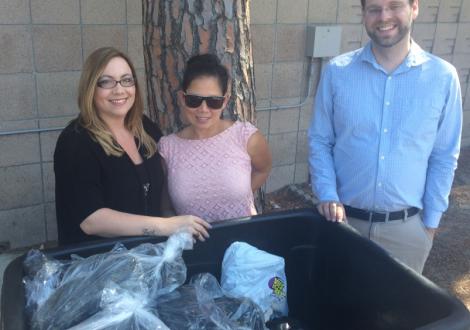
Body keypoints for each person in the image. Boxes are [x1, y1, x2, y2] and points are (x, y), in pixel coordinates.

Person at [308, 0, 462, 273]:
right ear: (364, 14)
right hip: (343, 226)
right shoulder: (337, 72)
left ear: (414, 7)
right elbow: (321, 141)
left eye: (394, 6)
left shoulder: (442, 78)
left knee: (399, 316)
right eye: (374, 8)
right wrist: (327, 194)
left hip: (407, 234)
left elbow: (443, 156)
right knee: (336, 310)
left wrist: (430, 225)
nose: (384, 16)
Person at [54, 47, 211, 245]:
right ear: (90, 88)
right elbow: (91, 221)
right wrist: (165, 225)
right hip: (98, 264)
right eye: (106, 82)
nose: (119, 89)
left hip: (149, 258)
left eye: (126, 80)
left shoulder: (145, 128)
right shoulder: (75, 141)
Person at [158, 54, 272, 222]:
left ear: (225, 101)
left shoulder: (246, 137)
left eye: (214, 101)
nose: (203, 109)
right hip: (192, 244)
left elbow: (263, 169)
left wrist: (242, 195)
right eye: (194, 100)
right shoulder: (168, 148)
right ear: (182, 98)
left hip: (242, 239)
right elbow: (165, 202)